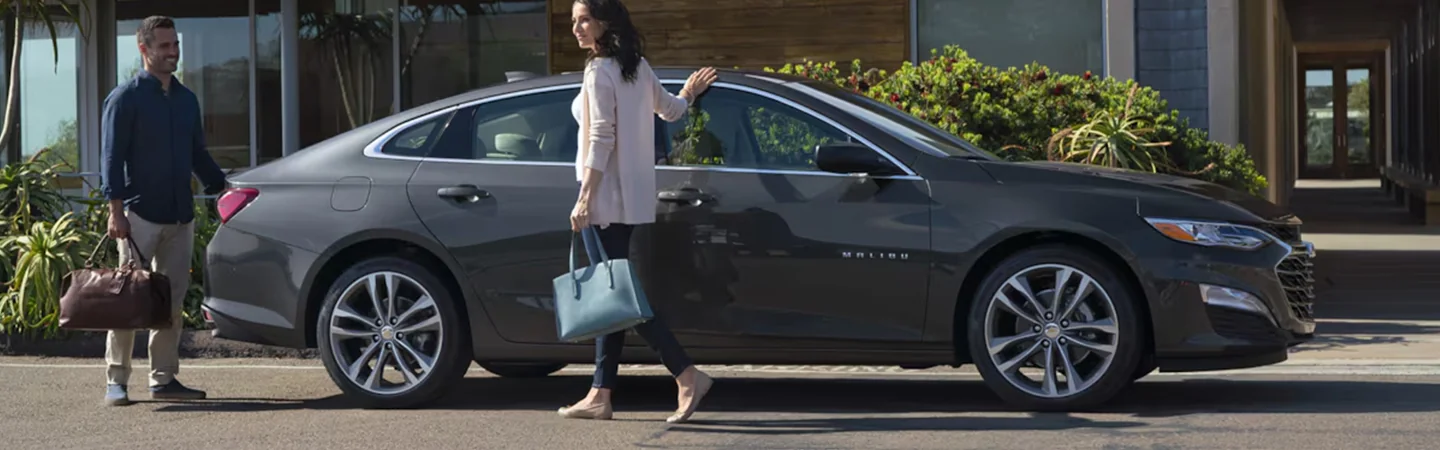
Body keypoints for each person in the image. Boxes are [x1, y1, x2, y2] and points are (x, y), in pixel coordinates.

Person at [559, 0, 719, 423]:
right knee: (612, 296)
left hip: (603, 200)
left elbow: (600, 137)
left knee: (618, 298)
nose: (576, 28)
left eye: (584, 20)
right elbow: (670, 110)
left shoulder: (600, 72)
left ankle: (686, 374)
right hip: (629, 201)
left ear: (605, 23)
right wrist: (689, 92)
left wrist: (584, 198)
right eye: (574, 21)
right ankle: (600, 393)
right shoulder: (636, 67)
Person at [99, 15, 227, 407]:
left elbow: (197, 155)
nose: (173, 52)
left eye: (176, 45)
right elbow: (111, 159)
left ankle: (164, 379)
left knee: (170, 304)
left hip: (179, 217)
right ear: (144, 49)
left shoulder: (187, 99)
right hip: (138, 218)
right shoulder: (125, 98)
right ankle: (116, 381)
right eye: (165, 46)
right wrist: (116, 211)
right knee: (129, 302)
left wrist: (223, 191)